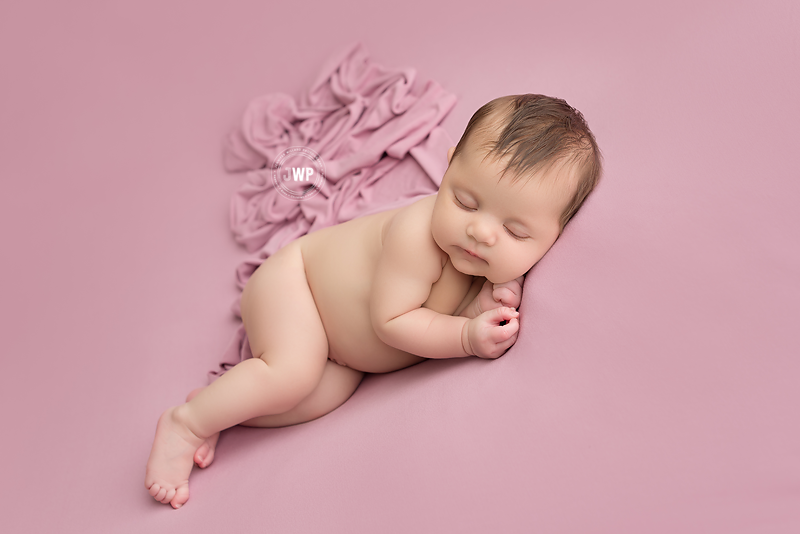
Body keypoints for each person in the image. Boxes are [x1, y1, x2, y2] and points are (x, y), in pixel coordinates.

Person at [145, 93, 603, 509]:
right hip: (296, 284)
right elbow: (394, 323)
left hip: (346, 358)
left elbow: (453, 304)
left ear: (554, 237)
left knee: (320, 396)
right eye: (465, 201)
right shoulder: (416, 236)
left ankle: (220, 408)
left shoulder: (486, 258)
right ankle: (185, 423)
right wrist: (466, 334)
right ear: (447, 170)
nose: (481, 232)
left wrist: (496, 294)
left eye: (516, 231)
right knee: (294, 371)